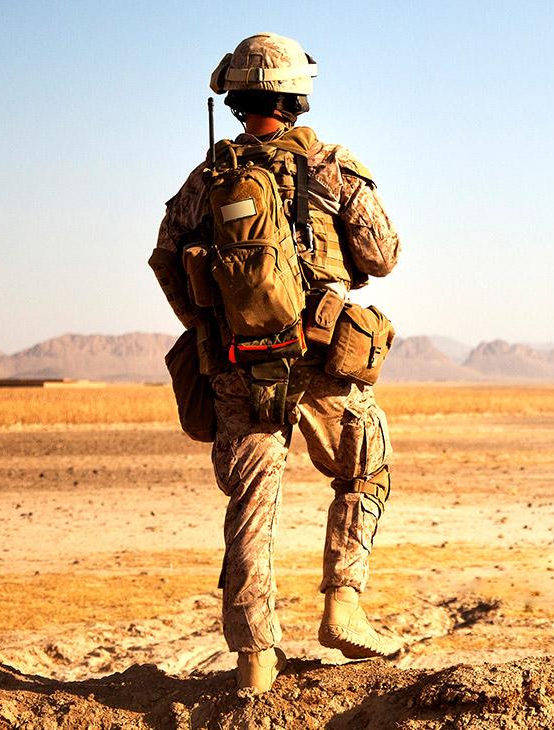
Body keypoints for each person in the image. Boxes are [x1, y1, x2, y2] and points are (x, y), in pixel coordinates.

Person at [147, 33, 402, 693]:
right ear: (297, 95)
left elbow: (165, 256)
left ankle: (254, 655)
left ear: (234, 96)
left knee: (253, 502)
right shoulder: (332, 166)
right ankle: (343, 604)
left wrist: (211, 324)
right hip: (321, 363)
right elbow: (382, 257)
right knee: (366, 466)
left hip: (238, 365)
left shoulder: (207, 179)